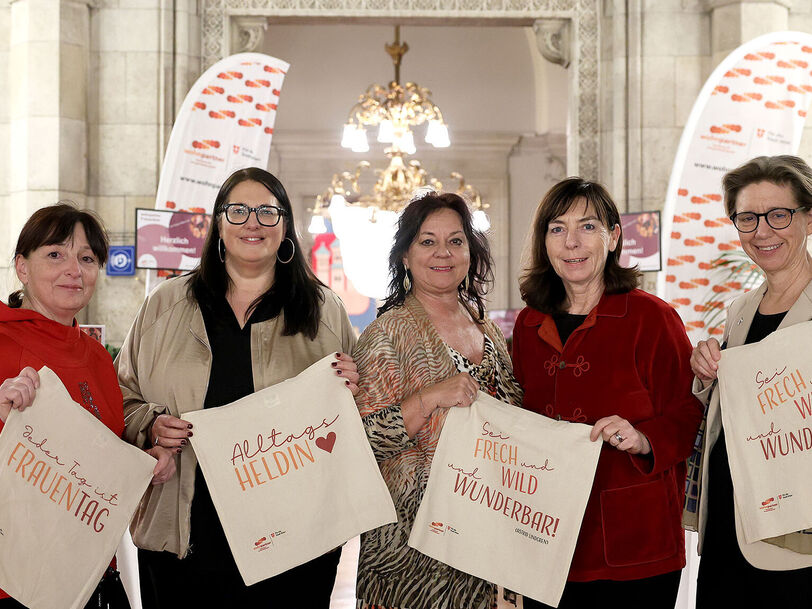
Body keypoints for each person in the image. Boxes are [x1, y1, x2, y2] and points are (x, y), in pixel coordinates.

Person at [116, 167, 359, 608]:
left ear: (285, 225)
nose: (253, 222)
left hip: (294, 541)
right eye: (239, 210)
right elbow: (120, 394)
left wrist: (355, 388)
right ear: (218, 224)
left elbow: (358, 414)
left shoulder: (325, 312)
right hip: (184, 530)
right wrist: (150, 425)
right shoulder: (164, 305)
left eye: (268, 211)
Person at [512, 178, 703, 609]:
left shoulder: (652, 318)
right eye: (557, 229)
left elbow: (689, 409)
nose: (572, 242)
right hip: (545, 535)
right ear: (545, 243)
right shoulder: (527, 324)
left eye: (588, 227)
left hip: (635, 543)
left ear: (614, 237)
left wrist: (642, 438)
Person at [353, 192, 523, 609]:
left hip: (484, 543)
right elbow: (359, 442)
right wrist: (429, 397)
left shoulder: (488, 331)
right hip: (411, 557)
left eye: (456, 240)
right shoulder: (386, 334)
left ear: (471, 251)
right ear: (405, 256)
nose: (442, 253)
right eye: (427, 241)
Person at [0, 203, 175, 609]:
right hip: (14, 580)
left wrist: (142, 465)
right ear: (22, 268)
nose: (74, 270)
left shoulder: (97, 356)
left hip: (87, 572)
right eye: (55, 255)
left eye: (86, 258)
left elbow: (92, 457)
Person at [685, 155, 812, 607]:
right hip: (729, 521)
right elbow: (733, 408)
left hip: (797, 535)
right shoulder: (740, 310)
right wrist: (706, 372)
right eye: (747, 217)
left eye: (779, 215)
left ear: (808, 219)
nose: (762, 231)